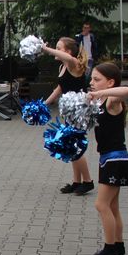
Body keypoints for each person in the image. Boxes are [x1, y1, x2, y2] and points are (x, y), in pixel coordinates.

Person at [86, 62, 128, 255]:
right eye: (92, 79)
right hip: (107, 158)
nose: (92, 83)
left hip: (116, 159)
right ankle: (119, 244)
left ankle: (109, 248)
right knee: (113, 206)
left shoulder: (112, 102)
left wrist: (100, 94)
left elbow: (127, 91)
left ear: (111, 82)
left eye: (97, 79)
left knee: (101, 204)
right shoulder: (100, 102)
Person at [43, 37, 94, 196]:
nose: (56, 50)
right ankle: (76, 182)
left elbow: (69, 59)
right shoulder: (63, 67)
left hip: (79, 111)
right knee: (70, 145)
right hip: (69, 110)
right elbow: (60, 88)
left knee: (75, 145)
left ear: (68, 51)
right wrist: (45, 104)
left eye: (59, 48)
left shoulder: (74, 64)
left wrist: (45, 49)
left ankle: (88, 181)